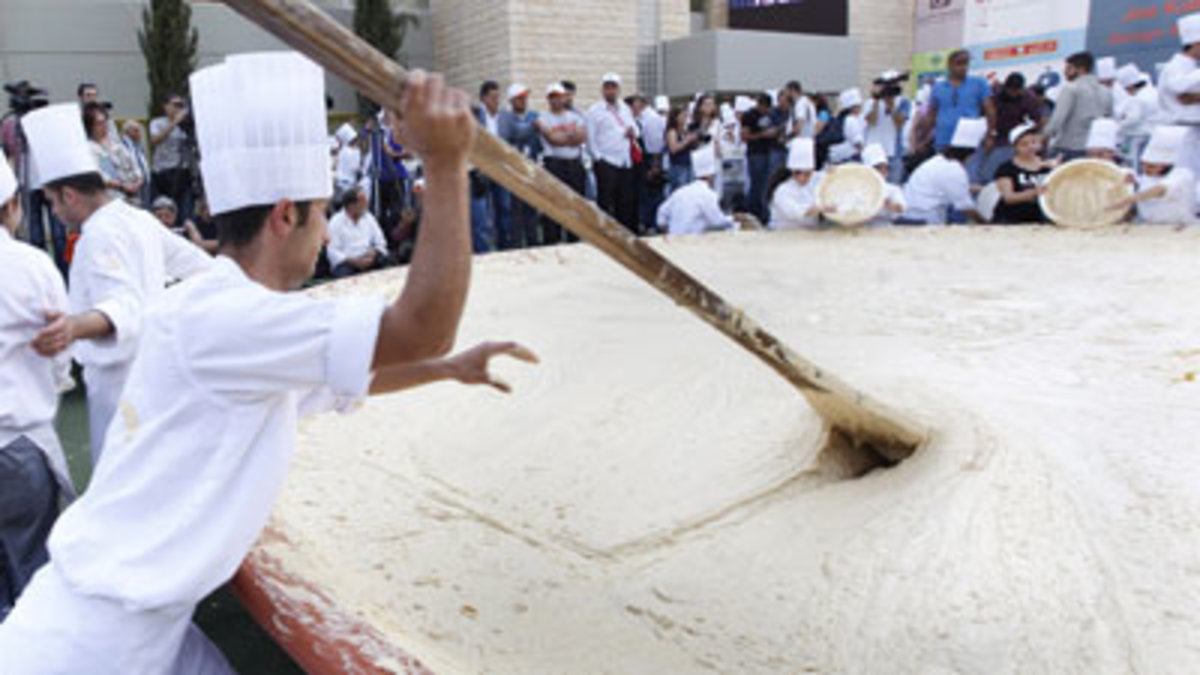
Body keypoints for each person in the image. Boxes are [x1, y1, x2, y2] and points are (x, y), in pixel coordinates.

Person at [0, 53, 538, 674]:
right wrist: (447, 166)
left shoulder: (228, 318)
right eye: (319, 212)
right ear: (286, 215)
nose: (327, 232)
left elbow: (354, 372)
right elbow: (419, 328)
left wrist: (447, 368)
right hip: (90, 648)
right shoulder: (228, 318)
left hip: (141, 628)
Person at [22, 103, 213, 465]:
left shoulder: (99, 236)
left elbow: (123, 305)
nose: (56, 215)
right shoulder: (136, 218)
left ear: (70, 195)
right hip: (158, 373)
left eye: (52, 203)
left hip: (120, 387)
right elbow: (201, 266)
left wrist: (74, 326)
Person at [0, 149, 75, 623]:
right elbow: (60, 351)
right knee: (34, 575)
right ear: (11, 206)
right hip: (18, 441)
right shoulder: (29, 264)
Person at [900, 118, 987, 225]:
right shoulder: (954, 169)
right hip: (924, 219)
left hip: (908, 213)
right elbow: (965, 206)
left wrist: (978, 189)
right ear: (970, 154)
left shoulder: (938, 161)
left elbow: (948, 187)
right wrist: (985, 222)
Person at [915, 50, 995, 163]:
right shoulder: (938, 87)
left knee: (969, 176)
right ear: (949, 65)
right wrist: (922, 138)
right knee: (945, 175)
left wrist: (990, 134)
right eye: (959, 63)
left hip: (969, 140)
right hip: (944, 140)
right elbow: (931, 115)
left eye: (966, 63)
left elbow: (990, 110)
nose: (963, 67)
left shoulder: (978, 83)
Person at [586, 72, 640, 233]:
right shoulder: (595, 110)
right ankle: (605, 233)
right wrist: (598, 158)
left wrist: (633, 132)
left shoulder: (624, 108)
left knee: (625, 201)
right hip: (607, 161)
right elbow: (590, 137)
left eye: (613, 87)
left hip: (624, 160)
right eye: (607, 87)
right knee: (606, 200)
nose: (610, 91)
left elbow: (635, 128)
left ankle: (623, 232)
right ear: (602, 89)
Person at [534, 83, 587, 245]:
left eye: (558, 96)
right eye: (552, 97)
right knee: (553, 204)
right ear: (548, 99)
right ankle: (552, 240)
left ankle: (574, 239)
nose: (556, 100)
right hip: (554, 165)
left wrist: (561, 136)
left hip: (574, 164)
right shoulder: (542, 118)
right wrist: (569, 136)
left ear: (564, 97)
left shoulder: (576, 117)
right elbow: (553, 140)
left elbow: (582, 137)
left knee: (575, 204)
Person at [1112, 125, 1197, 225]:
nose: (1146, 169)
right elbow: (1135, 181)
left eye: (1151, 166)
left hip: (1179, 226)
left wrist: (1129, 199)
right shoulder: (1146, 178)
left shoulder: (1182, 175)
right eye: (1143, 165)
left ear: (1166, 165)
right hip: (1150, 226)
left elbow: (1160, 189)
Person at [1043, 52, 1114, 161]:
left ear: (1081, 69)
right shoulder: (1106, 91)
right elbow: (1109, 120)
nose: (1065, 72)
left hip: (1069, 146)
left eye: (1069, 68)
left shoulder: (1071, 89)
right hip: (1094, 149)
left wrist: (1043, 136)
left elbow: (1057, 120)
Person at [1157, 13, 1200, 182]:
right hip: (1179, 132)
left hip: (1193, 132)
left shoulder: (1192, 68)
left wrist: (1195, 97)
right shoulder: (1175, 67)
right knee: (1184, 179)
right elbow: (1179, 88)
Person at [470, 80, 511, 252]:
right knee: (482, 214)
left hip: (501, 170)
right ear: (483, 98)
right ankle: (483, 251)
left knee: (505, 210)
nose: (496, 100)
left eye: (497, 97)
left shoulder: (504, 117)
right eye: (492, 97)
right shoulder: (475, 116)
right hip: (480, 172)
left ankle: (505, 247)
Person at [655, 146, 733, 236]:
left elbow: (661, 216)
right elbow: (717, 221)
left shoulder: (680, 191)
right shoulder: (709, 195)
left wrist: (669, 230)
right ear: (710, 176)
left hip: (673, 240)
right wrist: (733, 220)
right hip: (693, 242)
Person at [499, 83, 541, 247]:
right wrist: (532, 127)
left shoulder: (534, 115)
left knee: (531, 210)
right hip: (513, 171)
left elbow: (538, 142)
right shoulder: (505, 118)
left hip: (531, 168)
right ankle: (515, 245)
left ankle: (533, 243)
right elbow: (511, 134)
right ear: (511, 100)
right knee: (514, 211)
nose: (523, 101)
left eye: (525, 98)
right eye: (519, 98)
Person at [983, 73, 1044, 182]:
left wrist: (1031, 137)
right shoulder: (995, 93)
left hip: (1016, 137)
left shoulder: (1028, 98)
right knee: (991, 167)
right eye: (1010, 90)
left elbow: (1038, 120)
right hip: (997, 135)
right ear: (1005, 87)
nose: (1013, 93)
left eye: (1016, 90)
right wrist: (990, 135)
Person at [992, 122, 1056, 224]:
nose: (1030, 147)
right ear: (1015, 147)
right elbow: (1008, 197)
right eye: (1024, 144)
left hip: (1037, 219)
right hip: (1009, 219)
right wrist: (1034, 192)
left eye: (1033, 142)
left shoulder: (1047, 166)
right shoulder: (1007, 168)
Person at [83, 102, 143, 204]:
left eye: (105, 122)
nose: (104, 126)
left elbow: (133, 164)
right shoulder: (89, 148)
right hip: (109, 200)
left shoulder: (116, 144)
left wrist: (139, 181)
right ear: (90, 126)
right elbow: (98, 176)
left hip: (131, 197)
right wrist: (122, 186)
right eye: (99, 123)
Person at [148, 93, 194, 226]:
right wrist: (174, 122)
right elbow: (155, 140)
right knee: (161, 210)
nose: (178, 108)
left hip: (182, 171)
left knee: (184, 212)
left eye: (181, 105)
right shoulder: (157, 122)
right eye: (175, 104)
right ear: (165, 106)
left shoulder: (186, 125)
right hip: (162, 172)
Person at [327, 187, 389, 277]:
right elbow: (332, 251)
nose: (366, 204)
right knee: (344, 274)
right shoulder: (336, 222)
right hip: (348, 263)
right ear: (351, 205)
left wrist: (374, 252)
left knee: (386, 263)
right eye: (362, 201)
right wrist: (355, 262)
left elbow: (381, 241)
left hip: (368, 258)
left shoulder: (369, 217)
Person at [741, 93, 784, 222]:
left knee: (766, 184)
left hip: (769, 152)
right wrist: (762, 135)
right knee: (756, 184)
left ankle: (763, 212)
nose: (765, 111)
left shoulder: (771, 115)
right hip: (755, 153)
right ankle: (752, 211)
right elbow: (745, 136)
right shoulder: (749, 116)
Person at [768, 138, 827, 230]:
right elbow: (794, 212)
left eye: (807, 174)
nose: (802, 177)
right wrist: (818, 209)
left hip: (811, 232)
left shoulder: (816, 179)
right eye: (798, 173)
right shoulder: (782, 190)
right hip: (784, 232)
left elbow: (831, 178)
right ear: (792, 171)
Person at [864, 72, 912, 184]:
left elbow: (899, 124)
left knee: (893, 186)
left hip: (894, 152)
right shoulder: (871, 102)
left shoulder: (904, 102)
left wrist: (892, 107)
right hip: (874, 150)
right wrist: (876, 101)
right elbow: (871, 121)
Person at [630, 94, 667, 232]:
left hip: (651, 159)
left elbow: (655, 144)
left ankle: (652, 224)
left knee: (652, 194)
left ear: (640, 104)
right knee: (645, 194)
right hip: (645, 159)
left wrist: (655, 166)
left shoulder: (651, 119)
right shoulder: (640, 119)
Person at [1114, 65, 1160, 173]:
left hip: (1142, 137)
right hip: (1156, 135)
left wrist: (1118, 128)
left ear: (1130, 87)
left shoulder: (1139, 98)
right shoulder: (1154, 92)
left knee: (1139, 167)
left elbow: (1133, 119)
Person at [860, 143, 906, 226]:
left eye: (885, 168)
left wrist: (888, 204)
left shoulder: (892, 190)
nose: (882, 171)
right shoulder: (859, 189)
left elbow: (901, 208)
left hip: (886, 229)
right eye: (878, 168)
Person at [828, 87, 866, 165]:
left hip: (838, 157)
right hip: (850, 156)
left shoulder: (843, 118)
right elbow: (857, 142)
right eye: (858, 106)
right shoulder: (851, 120)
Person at [665, 106, 699, 190]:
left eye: (686, 115)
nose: (685, 117)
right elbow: (673, 149)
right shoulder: (672, 131)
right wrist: (687, 140)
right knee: (680, 191)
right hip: (678, 167)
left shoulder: (685, 130)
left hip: (689, 165)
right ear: (675, 117)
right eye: (683, 115)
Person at [120, 120, 152, 207]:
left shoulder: (138, 146)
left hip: (144, 183)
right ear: (127, 132)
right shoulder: (122, 146)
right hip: (133, 183)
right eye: (136, 130)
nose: (139, 134)